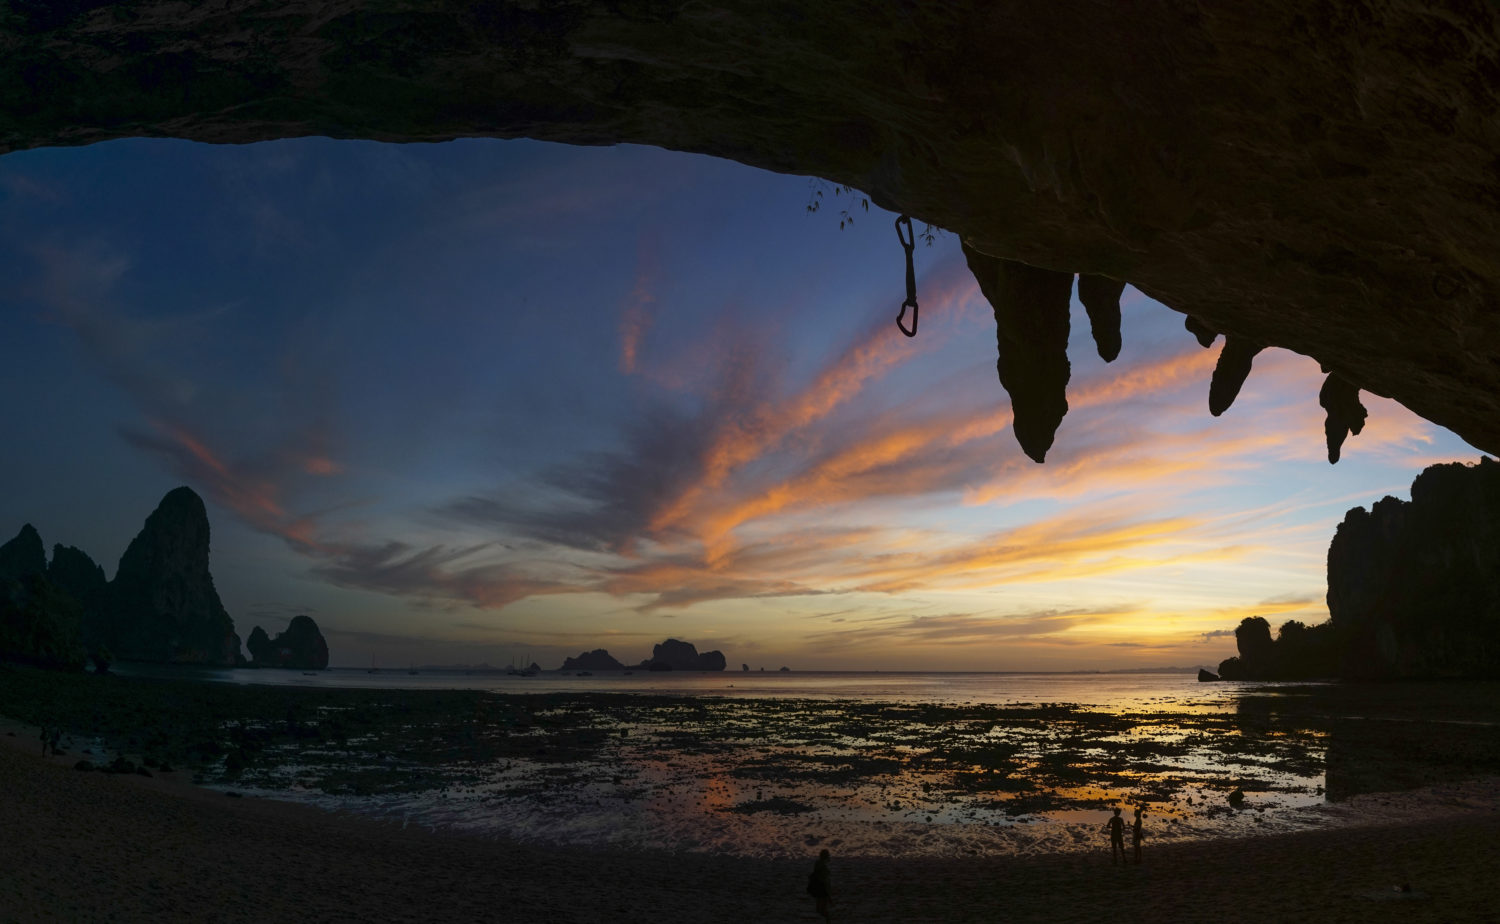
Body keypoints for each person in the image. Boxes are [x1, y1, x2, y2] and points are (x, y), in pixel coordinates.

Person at [806, 848, 831, 921]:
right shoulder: (823, 866)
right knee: (823, 906)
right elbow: (824, 879)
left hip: (819, 888)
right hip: (822, 888)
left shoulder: (818, 864)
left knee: (819, 905)